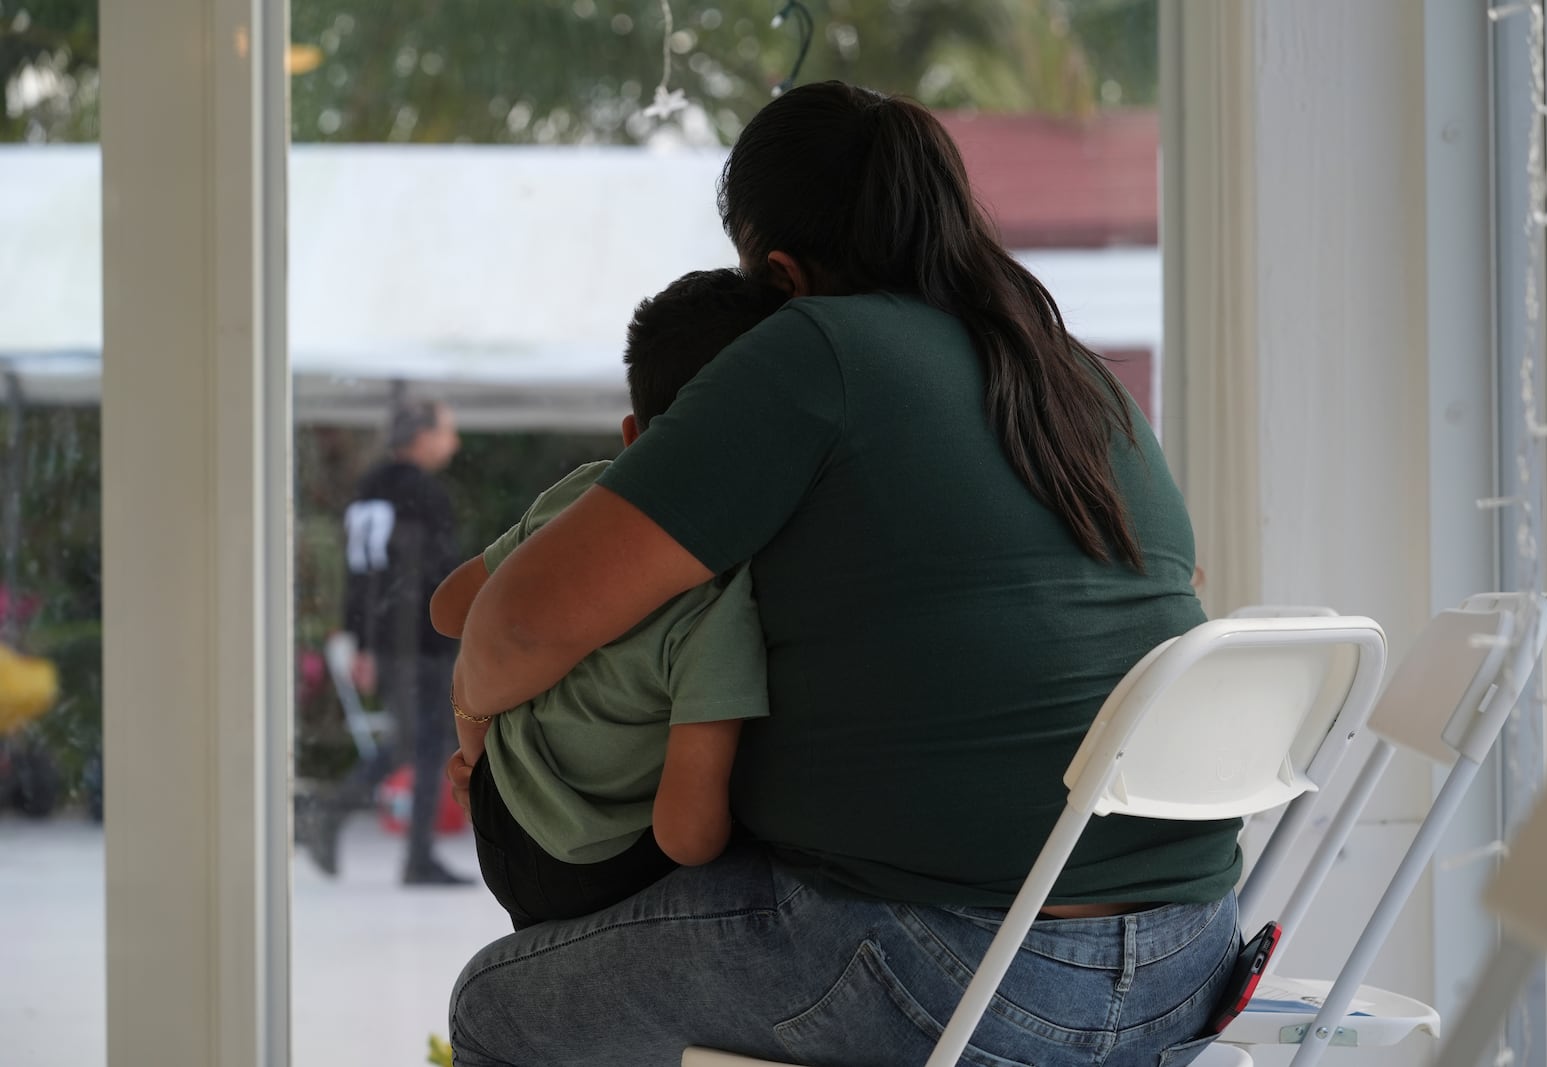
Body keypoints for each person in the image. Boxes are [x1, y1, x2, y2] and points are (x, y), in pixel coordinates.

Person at [445, 82, 1241, 1067]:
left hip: (956, 969)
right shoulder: (1069, 373)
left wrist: (478, 738)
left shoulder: (814, 347)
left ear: (776, 270)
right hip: (1192, 958)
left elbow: (516, 626)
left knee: (499, 1002)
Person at [430, 269, 785, 929]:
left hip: (500, 811)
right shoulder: (726, 602)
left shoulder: (586, 494)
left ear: (632, 434)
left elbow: (449, 607)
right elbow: (685, 834)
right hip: (587, 871)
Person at [333, 398, 472, 886]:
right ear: (422, 436)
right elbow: (433, 573)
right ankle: (413, 855)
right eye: (447, 431)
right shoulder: (423, 494)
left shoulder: (370, 488)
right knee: (428, 740)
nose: (453, 442)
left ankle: (336, 815)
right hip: (420, 637)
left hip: (388, 635)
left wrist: (362, 639)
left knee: (418, 739)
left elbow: (360, 572)